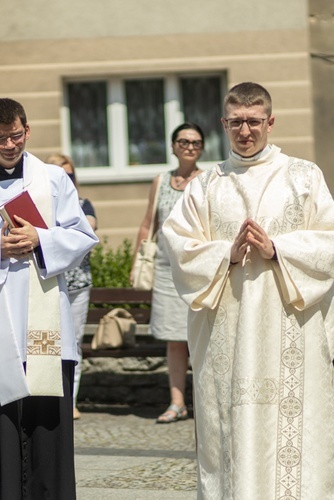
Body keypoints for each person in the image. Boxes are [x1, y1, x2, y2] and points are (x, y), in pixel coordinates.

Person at [162, 82, 334, 498]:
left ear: (270, 122)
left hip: (290, 326)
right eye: (236, 122)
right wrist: (228, 254)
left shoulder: (304, 175)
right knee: (229, 432)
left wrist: (278, 248)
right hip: (228, 331)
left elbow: (329, 239)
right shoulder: (206, 184)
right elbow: (178, 243)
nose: (245, 131)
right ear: (224, 123)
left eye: (254, 122)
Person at [0, 98, 98, 499]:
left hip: (45, 317)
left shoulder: (54, 179)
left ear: (27, 131)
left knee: (46, 427)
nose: (9, 145)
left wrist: (40, 239)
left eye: (15, 136)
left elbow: (82, 237)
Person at [131, 123, 205, 424]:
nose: (189, 147)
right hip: (164, 269)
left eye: (196, 142)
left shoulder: (209, 179)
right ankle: (177, 402)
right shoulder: (160, 180)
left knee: (203, 336)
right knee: (174, 338)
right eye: (184, 141)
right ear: (173, 146)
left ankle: (205, 400)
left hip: (199, 268)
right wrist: (139, 259)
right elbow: (150, 222)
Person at [45, 153, 97, 421]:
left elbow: (88, 230)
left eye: (69, 175)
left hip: (77, 285)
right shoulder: (41, 203)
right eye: (58, 174)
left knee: (74, 342)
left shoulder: (82, 204)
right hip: (48, 284)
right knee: (46, 340)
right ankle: (49, 395)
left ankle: (71, 400)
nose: (65, 180)